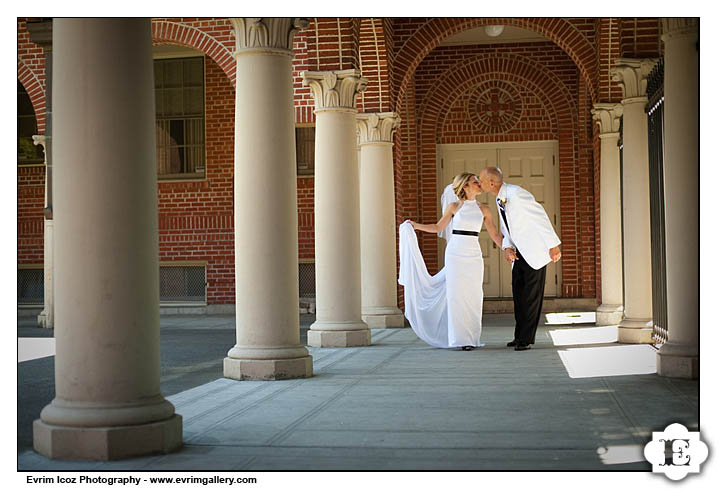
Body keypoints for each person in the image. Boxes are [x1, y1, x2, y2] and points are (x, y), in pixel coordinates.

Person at [398, 173, 503, 350]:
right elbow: (438, 227)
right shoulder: (454, 206)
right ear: (465, 186)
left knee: (474, 296)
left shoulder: (484, 209)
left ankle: (472, 338)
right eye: (474, 182)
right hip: (455, 254)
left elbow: (494, 234)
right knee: (457, 297)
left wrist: (507, 249)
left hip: (474, 254)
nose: (479, 184)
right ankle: (460, 340)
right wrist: (416, 226)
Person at [477, 166, 561, 351]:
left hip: (534, 252)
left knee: (530, 297)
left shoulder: (516, 194)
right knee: (519, 296)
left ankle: (525, 339)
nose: (478, 182)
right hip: (518, 254)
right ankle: (519, 337)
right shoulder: (500, 198)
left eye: (480, 179)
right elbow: (507, 228)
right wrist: (507, 247)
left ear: (491, 182)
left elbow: (540, 216)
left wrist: (553, 245)